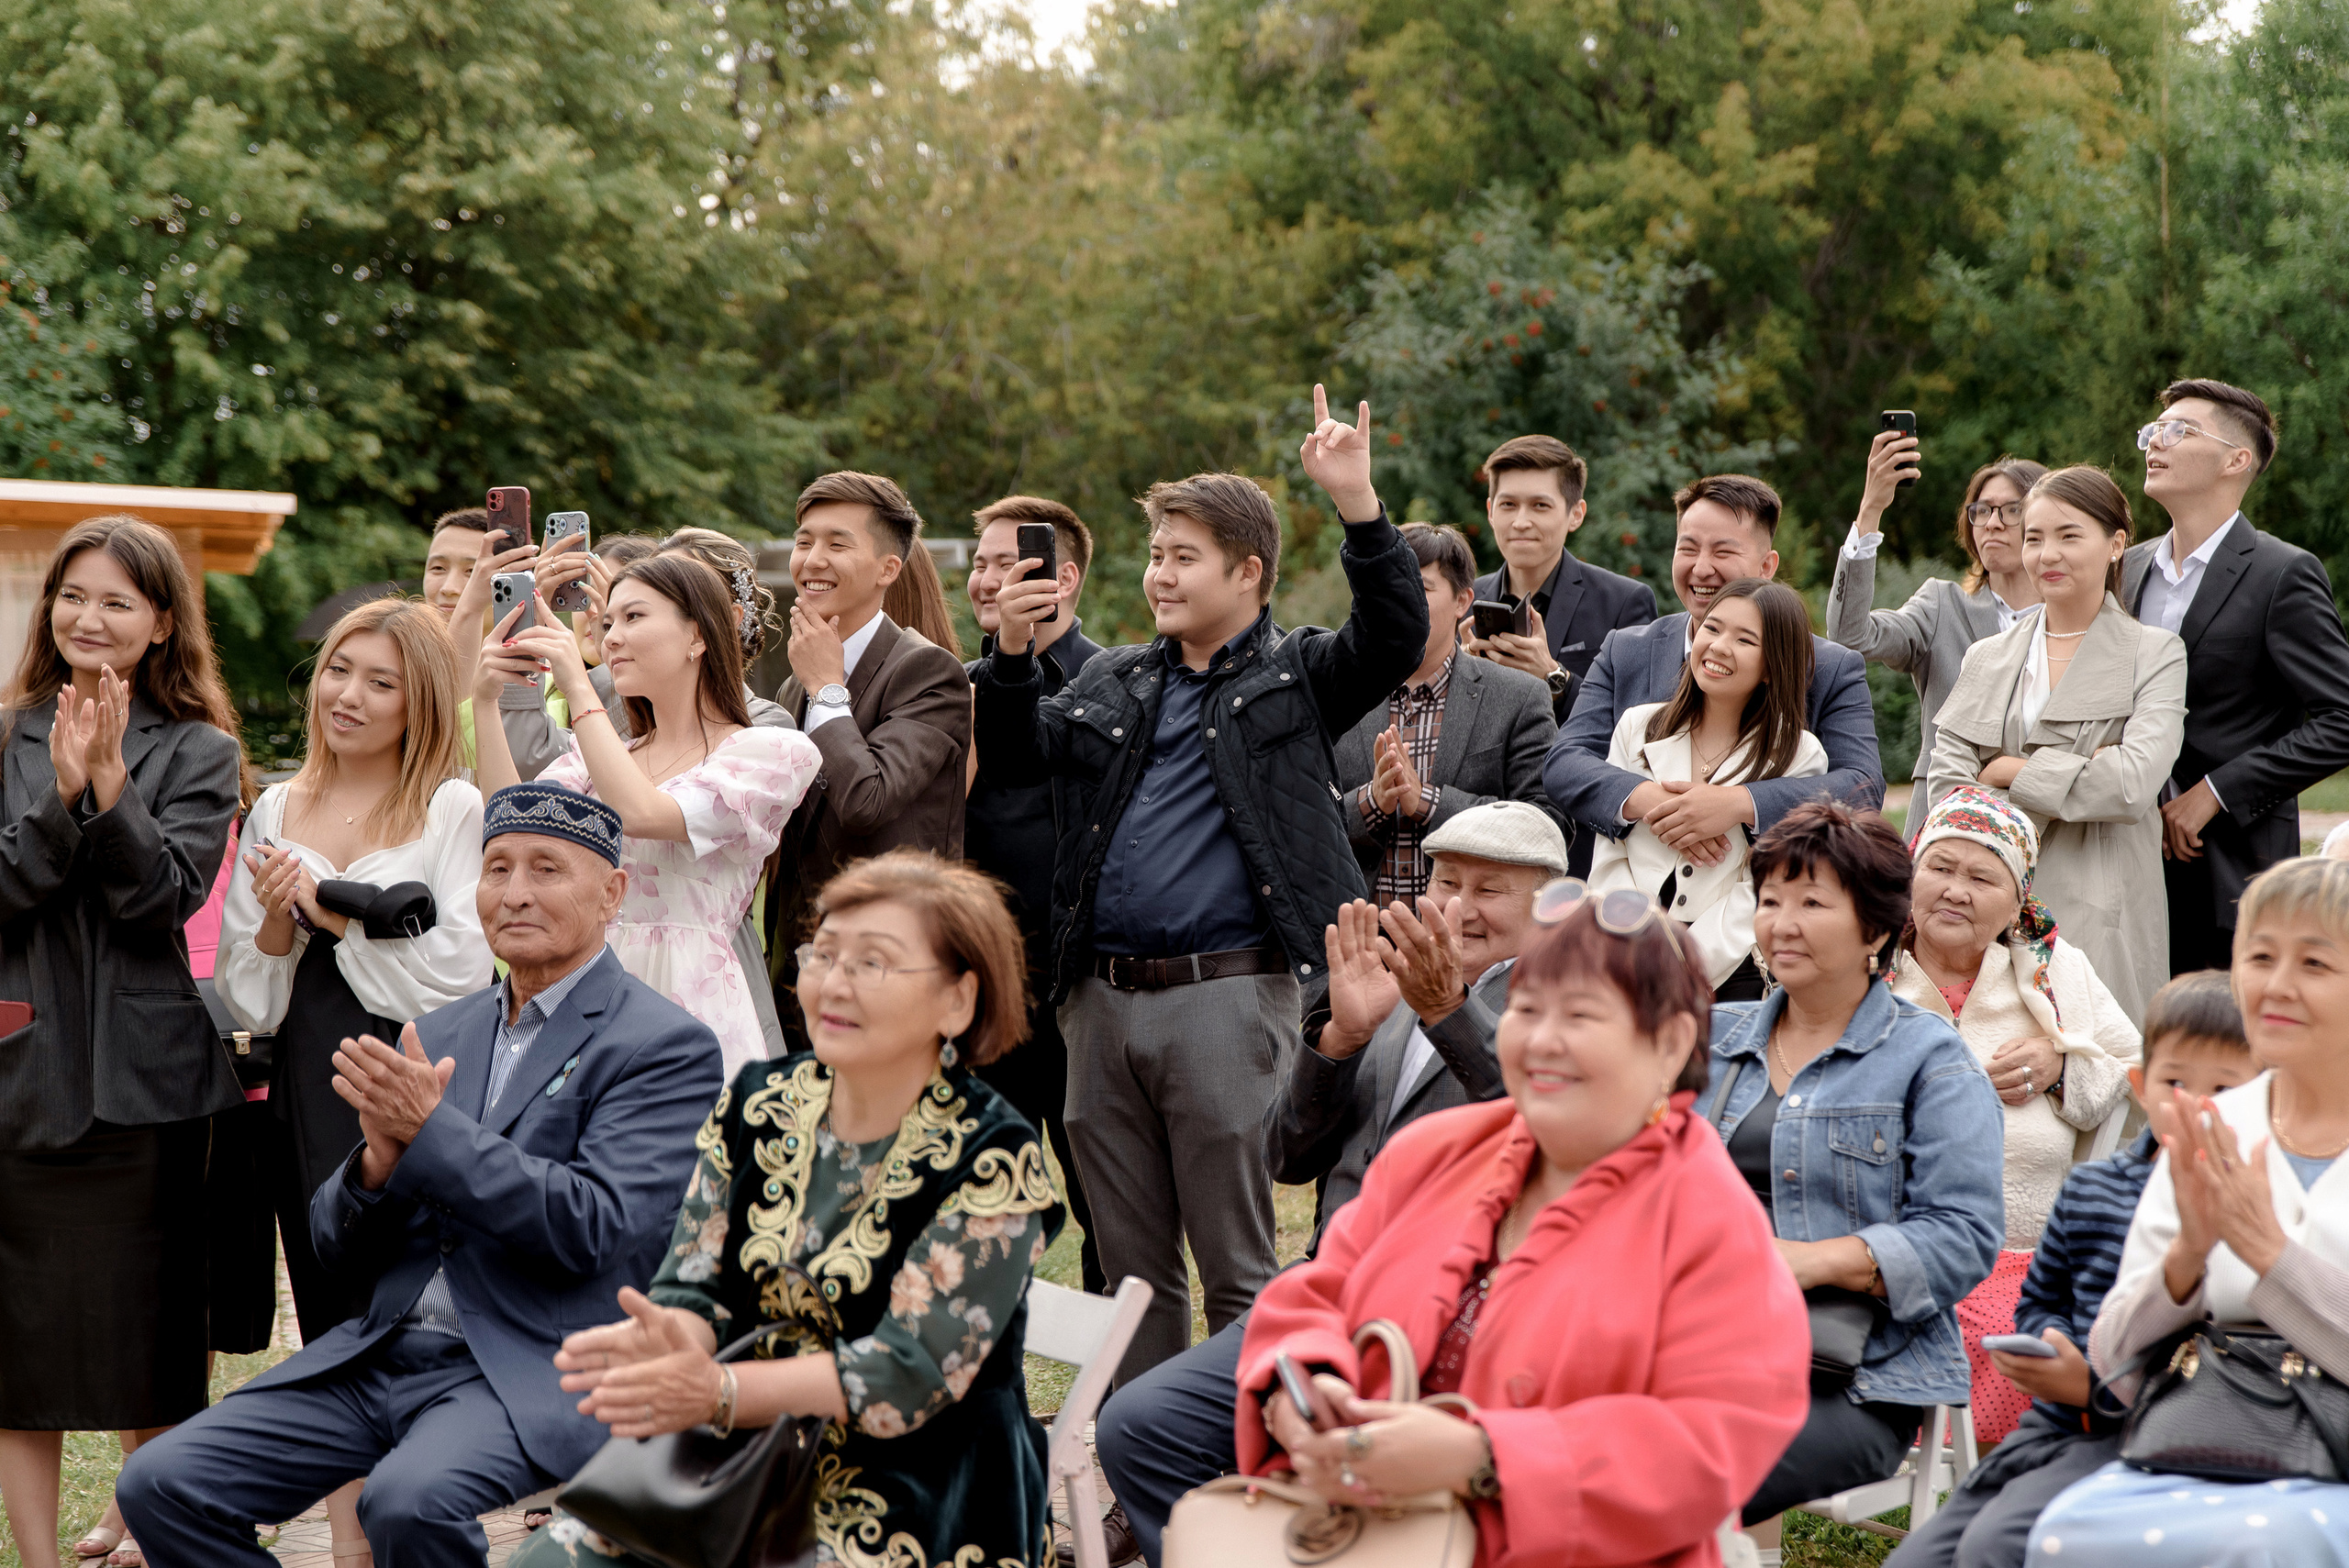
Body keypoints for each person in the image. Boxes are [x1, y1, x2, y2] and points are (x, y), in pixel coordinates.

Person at [116, 784, 726, 1568]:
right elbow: (334, 1244)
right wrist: (377, 1162)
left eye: (547, 870)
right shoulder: (442, 1029)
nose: (515, 893)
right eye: (497, 868)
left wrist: (432, 1136)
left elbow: (592, 1226)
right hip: (383, 1349)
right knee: (162, 1481)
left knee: (406, 1499)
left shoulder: (663, 1043)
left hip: (527, 1359)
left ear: (613, 893)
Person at [971, 387, 1428, 1376]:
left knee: (1235, 1264)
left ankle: (1252, 1468)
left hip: (1227, 997)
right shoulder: (1113, 683)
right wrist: (1009, 653)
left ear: (1247, 571)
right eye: (1155, 554)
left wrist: (1356, 501)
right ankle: (1141, 1498)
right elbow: (1012, 759)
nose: (1159, 574)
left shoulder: (1294, 677)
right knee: (1130, 1276)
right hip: (1097, 1003)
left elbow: (1392, 634)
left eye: (1183, 556)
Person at [508, 851, 1063, 1568]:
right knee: (546, 1562)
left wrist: (718, 1391)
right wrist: (674, 1340)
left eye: (874, 962)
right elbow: (693, 1283)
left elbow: (908, 1371)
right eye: (823, 954)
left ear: (958, 999)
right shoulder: (758, 1103)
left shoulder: (994, 1156)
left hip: (920, 1483)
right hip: (738, 1459)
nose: (834, 982)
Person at [1235, 879, 1810, 1568]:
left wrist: (1482, 1457)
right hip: (1370, 1539)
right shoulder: (1432, 1153)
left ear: (1669, 1043)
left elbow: (1715, 1435)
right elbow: (1316, 1293)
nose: (1542, 1040)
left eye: (1580, 1015)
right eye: (1527, 1009)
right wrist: (1297, 1389)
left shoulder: (1710, 1217)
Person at [1094, 801, 1565, 1568]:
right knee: (1138, 1426)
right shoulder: (1394, 987)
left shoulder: (1558, 1007)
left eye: (1491, 889)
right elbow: (1288, 1158)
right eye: (1447, 881)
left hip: (1453, 1317)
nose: (1458, 906)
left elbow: (1543, 1134)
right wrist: (1341, 1038)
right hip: (1326, 1296)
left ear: (1547, 908)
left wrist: (1448, 1010)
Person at [217, 597, 493, 1562]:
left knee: (413, 1314)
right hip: (307, 1070)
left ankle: (416, 1525)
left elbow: (460, 967)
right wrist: (284, 923)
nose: (349, 694)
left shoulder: (453, 807)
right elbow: (248, 984)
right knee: (334, 1317)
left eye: (381, 681)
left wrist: (331, 915)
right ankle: (347, 1546)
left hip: (415, 1070)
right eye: (339, 669)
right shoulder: (278, 805)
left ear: (420, 701)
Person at [0, 516, 245, 1568]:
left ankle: (160, 1527)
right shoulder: (2, 730)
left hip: (150, 1085)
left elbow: (161, 897)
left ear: (158, 624)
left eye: (117, 602)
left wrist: (109, 781)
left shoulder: (203, 748)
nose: (89, 618)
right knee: (21, 1349)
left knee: (152, 1335)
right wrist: (60, 791)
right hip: (21, 1071)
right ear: (48, 608)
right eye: (73, 595)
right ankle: (38, 1556)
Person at [1702, 802, 2003, 1562]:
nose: (1782, 922)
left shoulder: (1930, 1061)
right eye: (1770, 899)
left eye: (1811, 902)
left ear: (1875, 929)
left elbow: (1961, 1238)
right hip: (1694, 1343)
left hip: (1850, 1373)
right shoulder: (1711, 1039)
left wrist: (1806, 1260)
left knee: (1670, 1468)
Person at [2025, 857, 2349, 1562]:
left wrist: (2271, 1256)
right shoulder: (2215, 1125)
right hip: (2212, 1433)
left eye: (2316, 963)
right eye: (2259, 956)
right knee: (2061, 1534)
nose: (2277, 986)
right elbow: (2114, 1362)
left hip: (2328, 1466)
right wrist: (2185, 1259)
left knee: (2267, 1544)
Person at [1882, 972, 2254, 1568]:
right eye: (2175, 1082)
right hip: (2054, 1422)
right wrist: (2046, 1337)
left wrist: (2094, 1387)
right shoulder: (2092, 1189)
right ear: (2140, 1084)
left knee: (1995, 1545)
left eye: (2225, 1088)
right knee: (1921, 1556)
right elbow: (2041, 1296)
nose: (2194, 1104)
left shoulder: (2254, 1205)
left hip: (2151, 1431)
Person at [476, 555, 820, 1075]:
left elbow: (638, 812)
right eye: (608, 622)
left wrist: (577, 687)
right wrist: (486, 701)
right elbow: (512, 826)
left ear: (698, 637)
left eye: (633, 618)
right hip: (584, 992)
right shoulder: (604, 755)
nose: (609, 638)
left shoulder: (770, 752)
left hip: (693, 997)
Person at [1927, 465, 2188, 1023]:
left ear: (2117, 544)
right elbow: (1948, 789)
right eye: (2034, 538)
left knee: (2097, 1074)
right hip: (1988, 906)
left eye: (2069, 536)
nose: (2047, 554)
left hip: (2101, 907)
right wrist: (2074, 772)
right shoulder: (1988, 656)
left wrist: (2004, 772)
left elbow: (2128, 786)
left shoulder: (2156, 653)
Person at [1545, 473, 1884, 892]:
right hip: (1628, 905)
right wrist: (1661, 803)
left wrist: (1739, 804)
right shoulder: (1627, 650)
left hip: (1756, 913)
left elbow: (1862, 786)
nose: (1701, 568)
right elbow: (1566, 762)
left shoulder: (1830, 666)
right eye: (1687, 548)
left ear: (1767, 566)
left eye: (1723, 552)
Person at [2121, 379, 2349, 976]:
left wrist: (2216, 792)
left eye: (2178, 430)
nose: (2155, 443)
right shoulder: (2127, 568)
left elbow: (2341, 720)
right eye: (2152, 430)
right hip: (2123, 863)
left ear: (2236, 459)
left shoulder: (2282, 574)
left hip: (2231, 868)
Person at [767, 471, 974, 1034]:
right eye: (804, 541)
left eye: (838, 543)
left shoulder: (926, 671)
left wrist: (827, 691)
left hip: (891, 964)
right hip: (797, 972)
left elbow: (867, 800)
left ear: (888, 569)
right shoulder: (797, 683)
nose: (812, 559)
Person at [1887, 785, 2141, 1246]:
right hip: (1886, 1250)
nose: (1954, 891)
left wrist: (2065, 1068)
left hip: (2028, 1256)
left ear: (2017, 904)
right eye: (1939, 868)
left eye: (1982, 879)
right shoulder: (1864, 968)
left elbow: (2142, 1071)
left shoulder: (2055, 967)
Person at [963, 495, 1108, 1295]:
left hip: (1092, 979)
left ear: (1063, 573)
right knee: (987, 1204)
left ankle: (1122, 1396)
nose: (987, 577)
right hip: (992, 985)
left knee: (1108, 1204)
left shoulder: (1119, 682)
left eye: (1006, 559)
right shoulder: (957, 688)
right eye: (979, 563)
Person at [1587, 577, 1827, 1000]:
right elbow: (1610, 850)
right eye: (1711, 629)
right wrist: (1628, 943)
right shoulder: (1636, 727)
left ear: (1773, 665)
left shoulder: (1799, 756)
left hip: (1726, 975)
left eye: (1744, 640)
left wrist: (1686, 966)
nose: (1717, 647)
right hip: (1621, 959)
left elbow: (1765, 885)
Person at [1336, 522, 1561, 906]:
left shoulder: (1519, 696)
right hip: (1360, 941)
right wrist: (1371, 802)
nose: (1399, 601)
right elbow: (1296, 820)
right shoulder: (1337, 690)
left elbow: (1547, 825)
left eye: (1420, 588)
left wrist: (1426, 801)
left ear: (1462, 601)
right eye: (1386, 587)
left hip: (1471, 939)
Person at [1824, 440, 2047, 781]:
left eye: (2012, 509)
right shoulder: (1942, 606)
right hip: (1943, 812)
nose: (1993, 523)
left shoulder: (2073, 622)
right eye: (1982, 510)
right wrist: (1870, 509)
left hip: (2044, 816)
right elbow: (1850, 636)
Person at [1461, 433, 1658, 715]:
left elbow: (1640, 719)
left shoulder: (1623, 603)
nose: (1521, 522)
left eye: (1540, 505)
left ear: (1576, 514)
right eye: (1508, 505)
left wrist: (1554, 678)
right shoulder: (1463, 603)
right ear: (1491, 512)